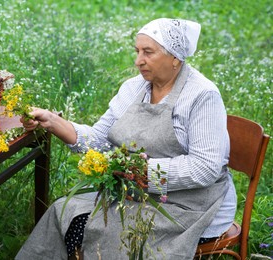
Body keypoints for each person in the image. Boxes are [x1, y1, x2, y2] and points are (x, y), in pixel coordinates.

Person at [15, 18, 236, 260]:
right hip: (137, 194)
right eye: (137, 51)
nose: (138, 60)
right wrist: (53, 122)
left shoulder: (202, 95)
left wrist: (141, 171)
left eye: (147, 52)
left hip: (190, 207)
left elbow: (205, 168)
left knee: (104, 231)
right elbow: (101, 139)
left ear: (175, 57)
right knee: (63, 210)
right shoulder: (134, 89)